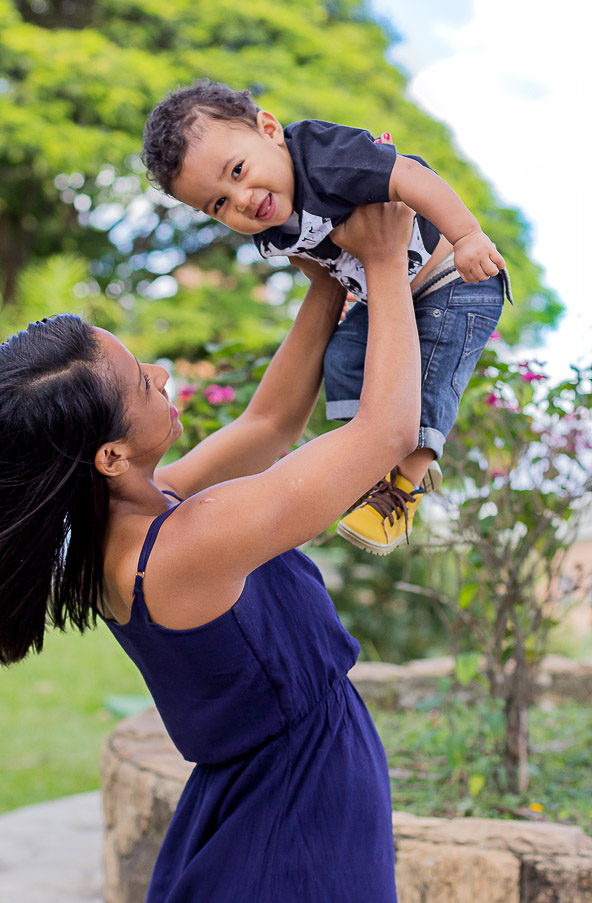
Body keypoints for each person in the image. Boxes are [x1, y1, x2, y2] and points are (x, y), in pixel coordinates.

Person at [0, 202, 417, 903]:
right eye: (142, 381)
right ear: (109, 456)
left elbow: (270, 425)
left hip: (262, 796)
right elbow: (386, 433)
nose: (164, 373)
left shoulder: (131, 523)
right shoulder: (185, 546)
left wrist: (331, 279)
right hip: (294, 812)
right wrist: (387, 262)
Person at [141, 81, 513, 555]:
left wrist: (468, 237)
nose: (241, 198)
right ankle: (366, 462)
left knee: (432, 378)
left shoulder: (328, 157)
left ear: (270, 130)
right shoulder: (270, 227)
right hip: (384, 295)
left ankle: (404, 488)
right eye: (217, 204)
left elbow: (410, 177)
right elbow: (321, 273)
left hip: (454, 282)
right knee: (341, 357)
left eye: (238, 170)